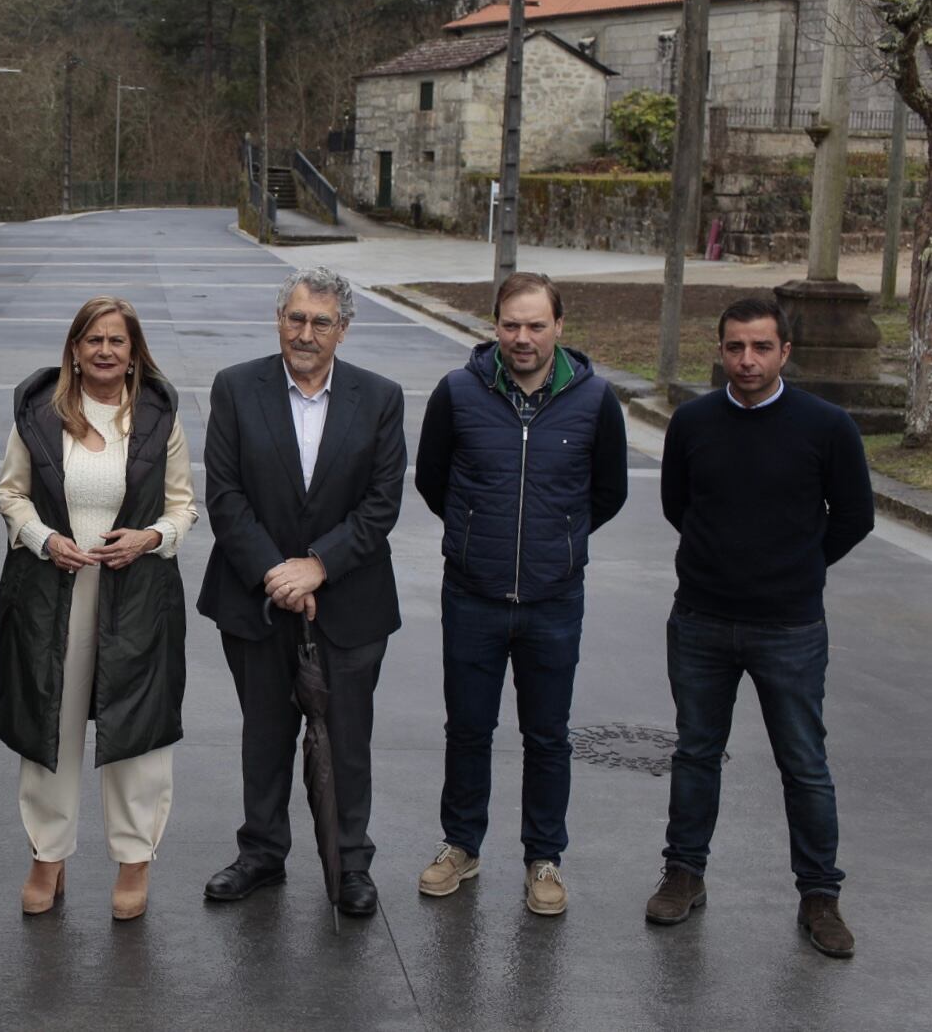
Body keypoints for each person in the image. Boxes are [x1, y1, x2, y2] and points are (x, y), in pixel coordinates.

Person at [647, 296, 873, 958]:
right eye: (736, 347)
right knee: (695, 752)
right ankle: (684, 873)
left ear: (785, 351)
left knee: (804, 763)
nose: (748, 360)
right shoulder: (691, 422)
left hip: (790, 626)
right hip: (701, 620)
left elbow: (853, 516)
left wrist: (799, 565)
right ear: (720, 349)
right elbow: (677, 504)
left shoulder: (828, 426)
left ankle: (820, 895)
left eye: (762, 347)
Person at [412, 271, 628, 916]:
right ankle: (461, 845)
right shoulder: (457, 393)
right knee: (468, 729)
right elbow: (433, 480)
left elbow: (607, 493)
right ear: (494, 326)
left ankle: (543, 858)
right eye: (511, 324)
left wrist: (559, 539)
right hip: (472, 594)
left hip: (553, 599)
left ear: (560, 327)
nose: (523, 338)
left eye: (536, 325)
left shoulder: (595, 401)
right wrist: (475, 535)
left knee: (548, 735)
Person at [197, 266, 406, 919]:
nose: (305, 332)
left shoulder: (380, 397)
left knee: (347, 738)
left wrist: (318, 565)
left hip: (351, 601)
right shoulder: (236, 388)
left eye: (320, 321)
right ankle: (261, 851)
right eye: (295, 318)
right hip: (255, 599)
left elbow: (382, 502)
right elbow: (225, 497)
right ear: (278, 320)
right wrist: (275, 573)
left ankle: (349, 862)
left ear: (344, 328)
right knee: (264, 732)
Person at [0, 296, 200, 922]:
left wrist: (151, 538)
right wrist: (43, 540)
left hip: (135, 599)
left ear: (134, 351)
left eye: (117, 340)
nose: (106, 350)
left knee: (136, 731)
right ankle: (47, 856)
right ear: (75, 351)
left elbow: (183, 505)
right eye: (93, 340)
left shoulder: (160, 418)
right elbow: (11, 492)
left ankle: (134, 861)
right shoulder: (38, 413)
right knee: (49, 727)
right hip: (49, 596)